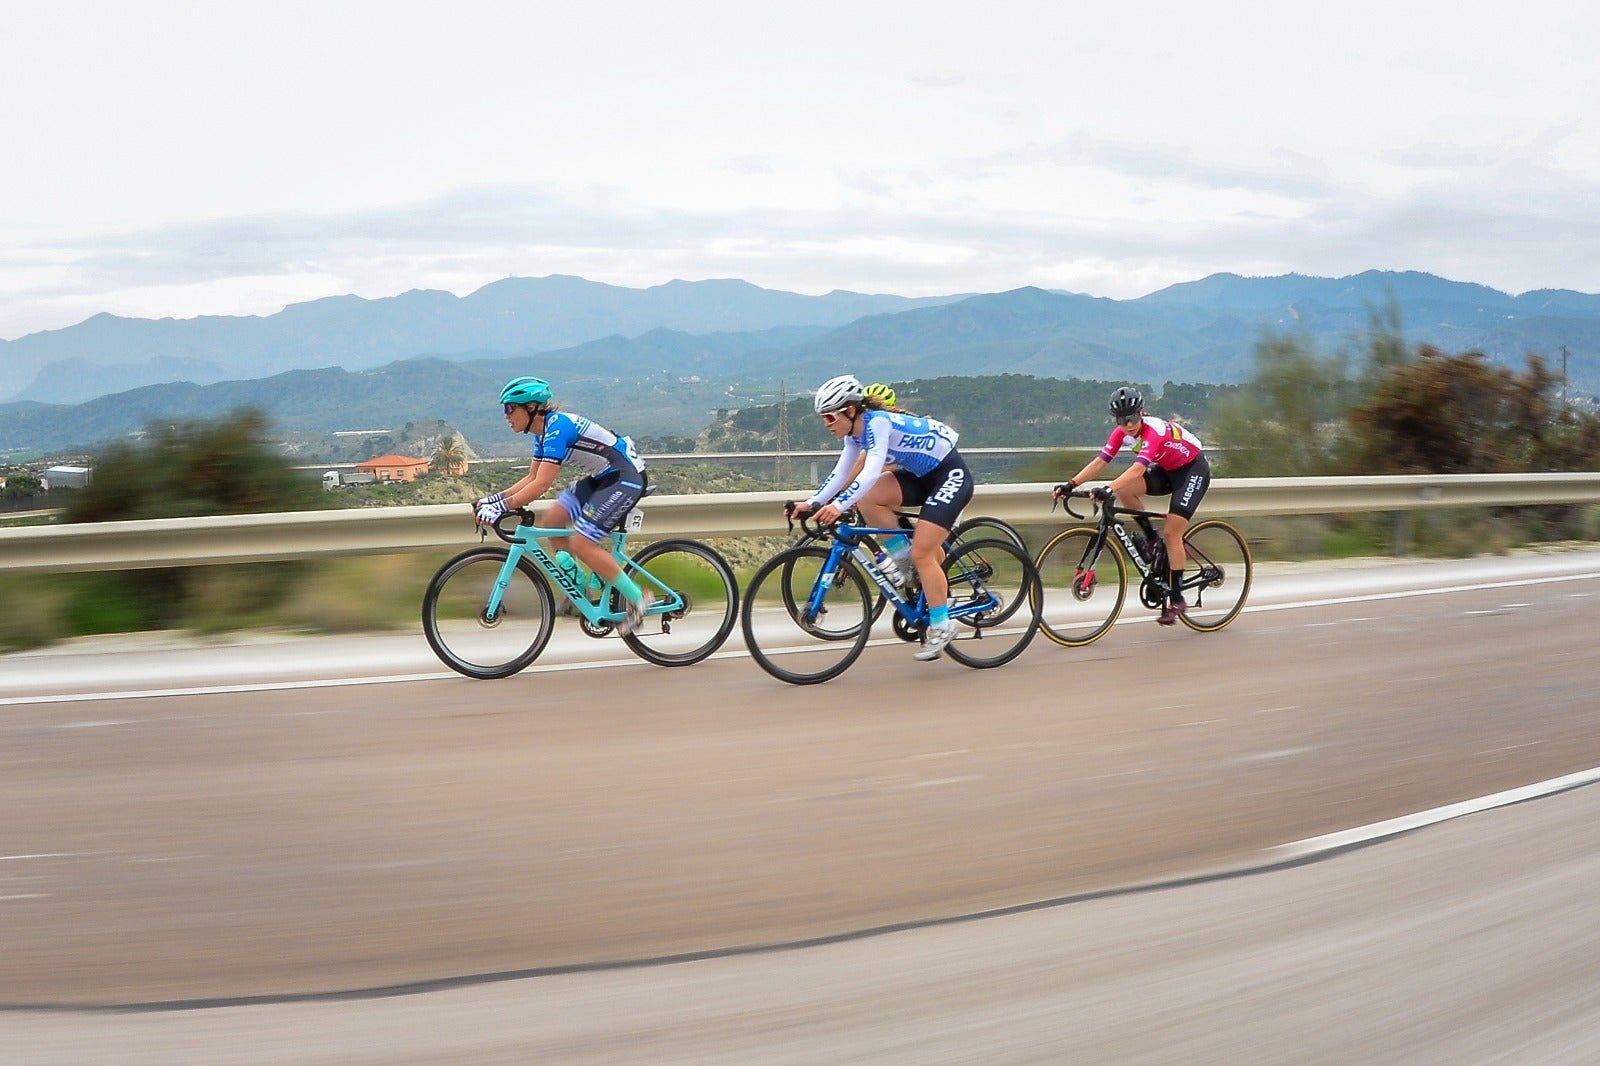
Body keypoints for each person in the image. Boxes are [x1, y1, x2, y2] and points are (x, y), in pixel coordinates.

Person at [791, 374, 974, 661]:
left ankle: (942, 625)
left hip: (949, 475)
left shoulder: (877, 422)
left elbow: (871, 470)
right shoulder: (854, 434)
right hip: (920, 477)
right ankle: (907, 566)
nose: (826, 424)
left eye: (829, 417)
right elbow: (841, 473)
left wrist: (837, 506)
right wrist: (812, 502)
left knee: (923, 552)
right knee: (869, 498)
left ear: (850, 410)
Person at [472, 376, 654, 634]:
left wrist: (501, 508)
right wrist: (494, 500)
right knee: (553, 519)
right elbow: (530, 478)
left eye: (510, 408)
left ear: (531, 408)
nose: (506, 415)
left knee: (582, 543)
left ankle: (638, 598)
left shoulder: (558, 428)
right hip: (602, 478)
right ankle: (578, 585)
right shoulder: (542, 432)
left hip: (625, 477)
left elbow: (542, 485)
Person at [1052, 385, 1210, 626]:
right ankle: (1150, 538)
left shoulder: (1153, 430)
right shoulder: (1121, 434)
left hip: (1192, 470)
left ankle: (1177, 598)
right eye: (1123, 420)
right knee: (1126, 490)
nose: (1129, 425)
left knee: (1172, 533)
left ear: (1142, 413)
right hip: (1168, 470)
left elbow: (1137, 469)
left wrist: (1108, 488)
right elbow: (1099, 462)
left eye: (1133, 418)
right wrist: (1071, 484)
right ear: (1116, 420)